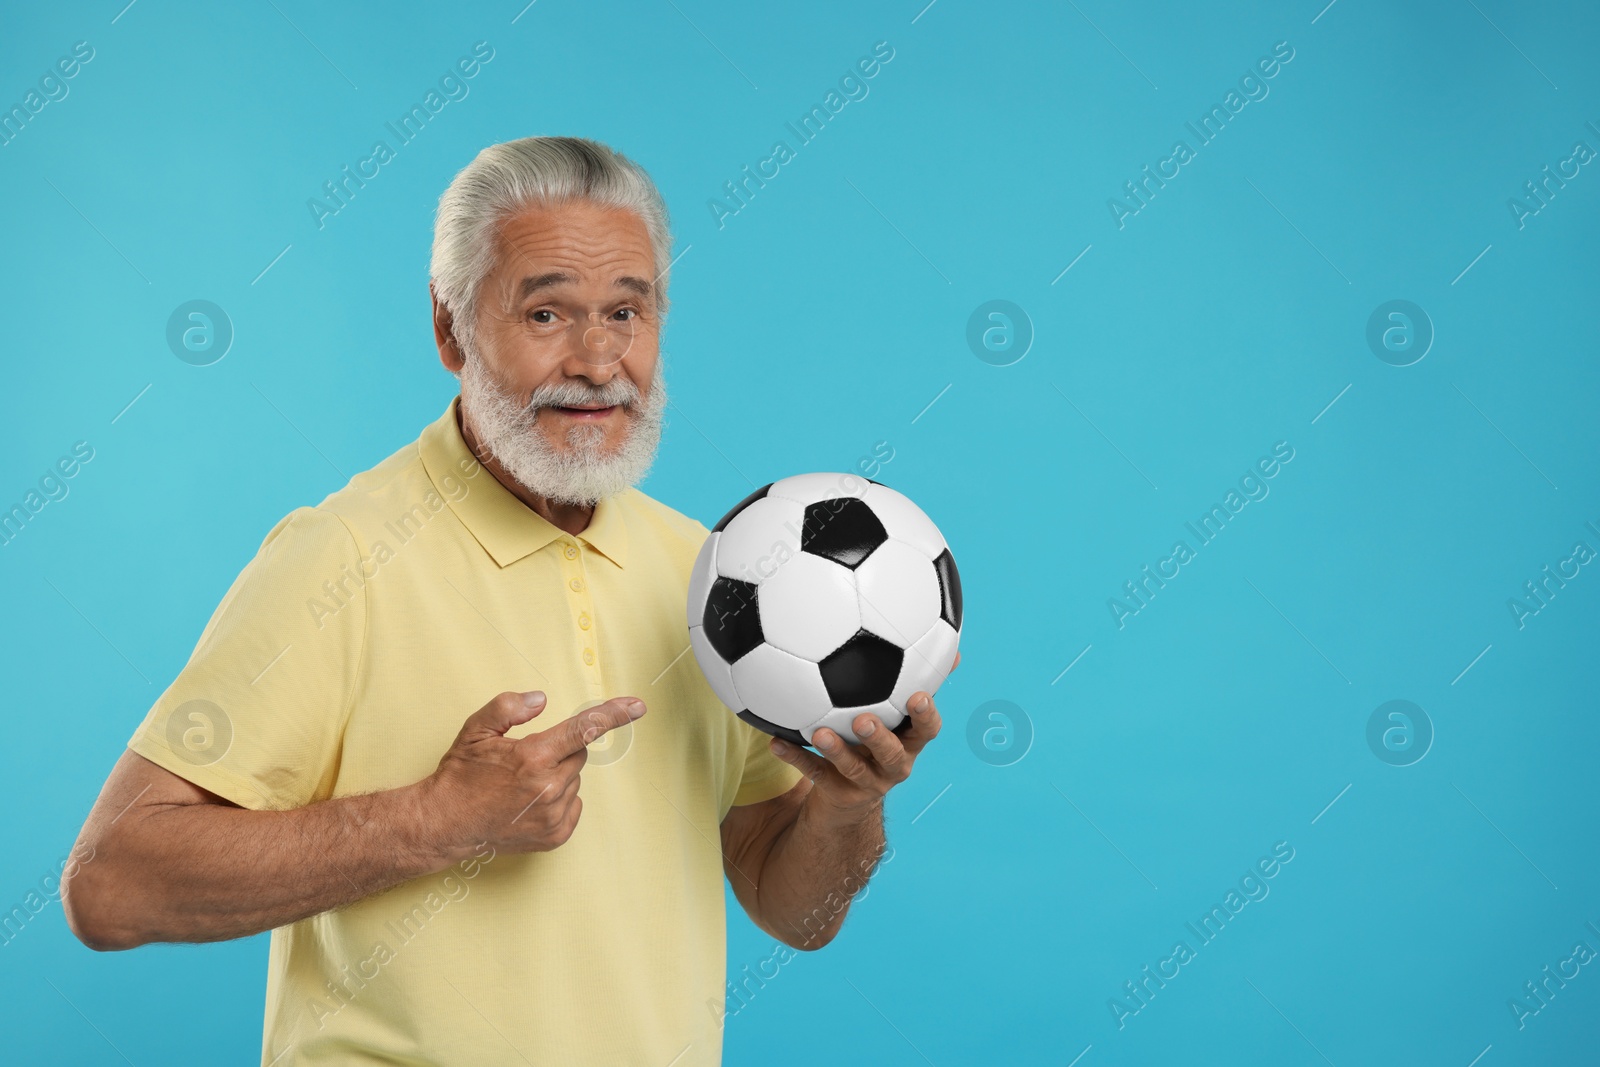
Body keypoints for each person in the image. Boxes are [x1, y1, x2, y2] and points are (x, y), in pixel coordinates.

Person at [62, 135, 953, 1066]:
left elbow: (794, 910)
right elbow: (110, 886)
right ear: (449, 327)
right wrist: (435, 821)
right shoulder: (339, 557)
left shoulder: (716, 576)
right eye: (547, 312)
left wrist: (849, 808)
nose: (600, 361)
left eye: (625, 311)